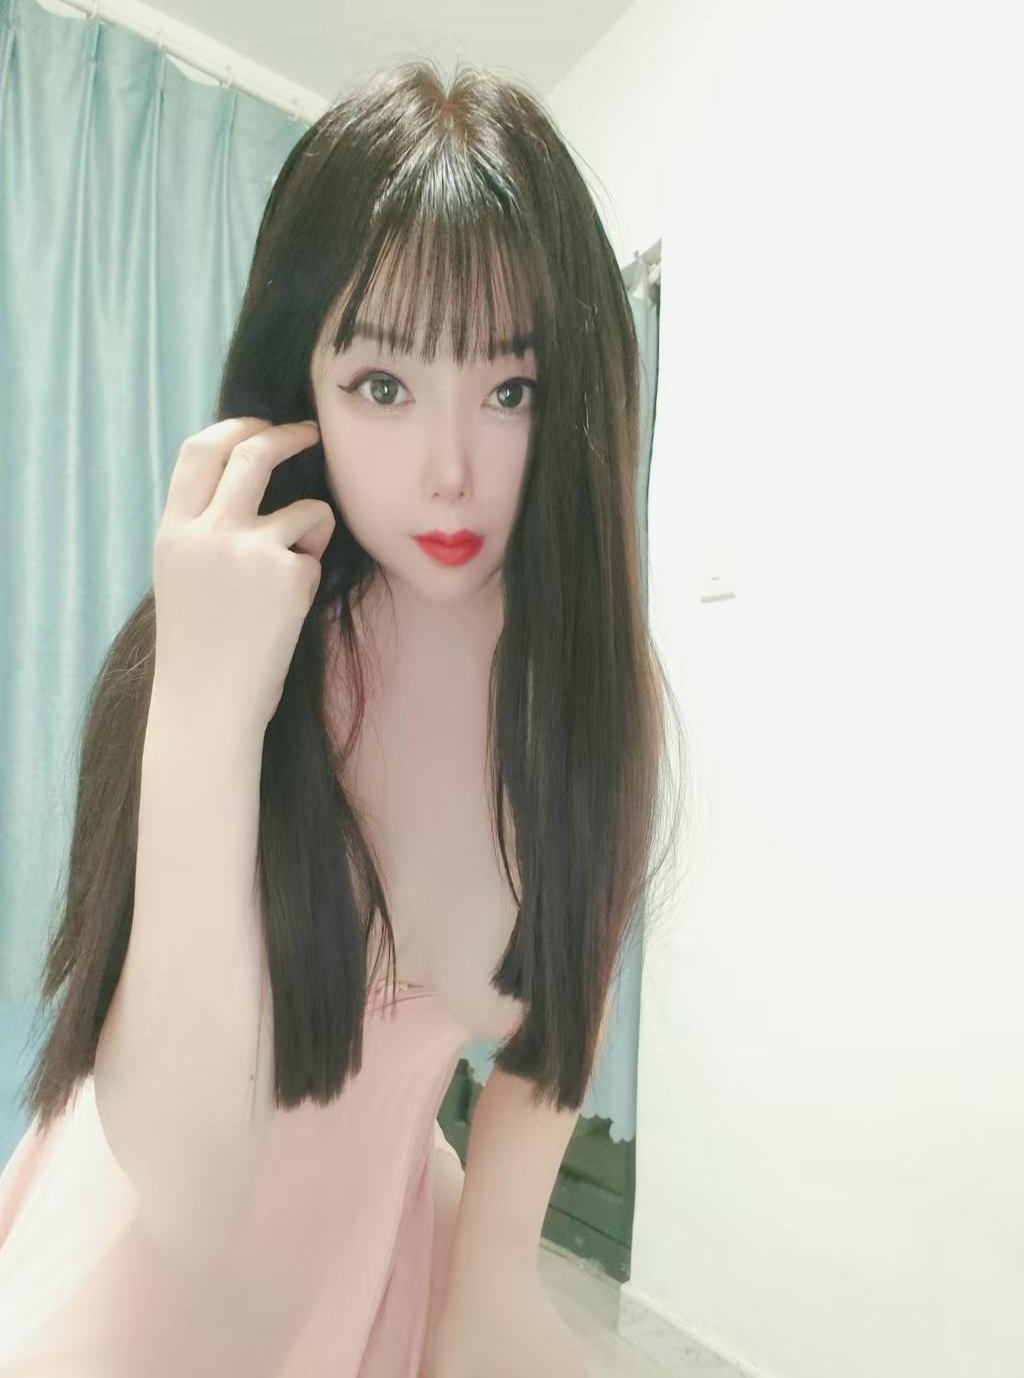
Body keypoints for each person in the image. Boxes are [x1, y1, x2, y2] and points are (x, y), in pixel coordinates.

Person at [0, 57, 683, 1377]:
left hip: (382, 1252)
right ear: (298, 385)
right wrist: (204, 704)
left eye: (509, 389)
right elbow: (179, 1178)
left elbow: (558, 1020)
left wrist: (492, 1271)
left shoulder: (588, 696)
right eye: (383, 383)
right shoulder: (239, 644)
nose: (448, 469)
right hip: (146, 1275)